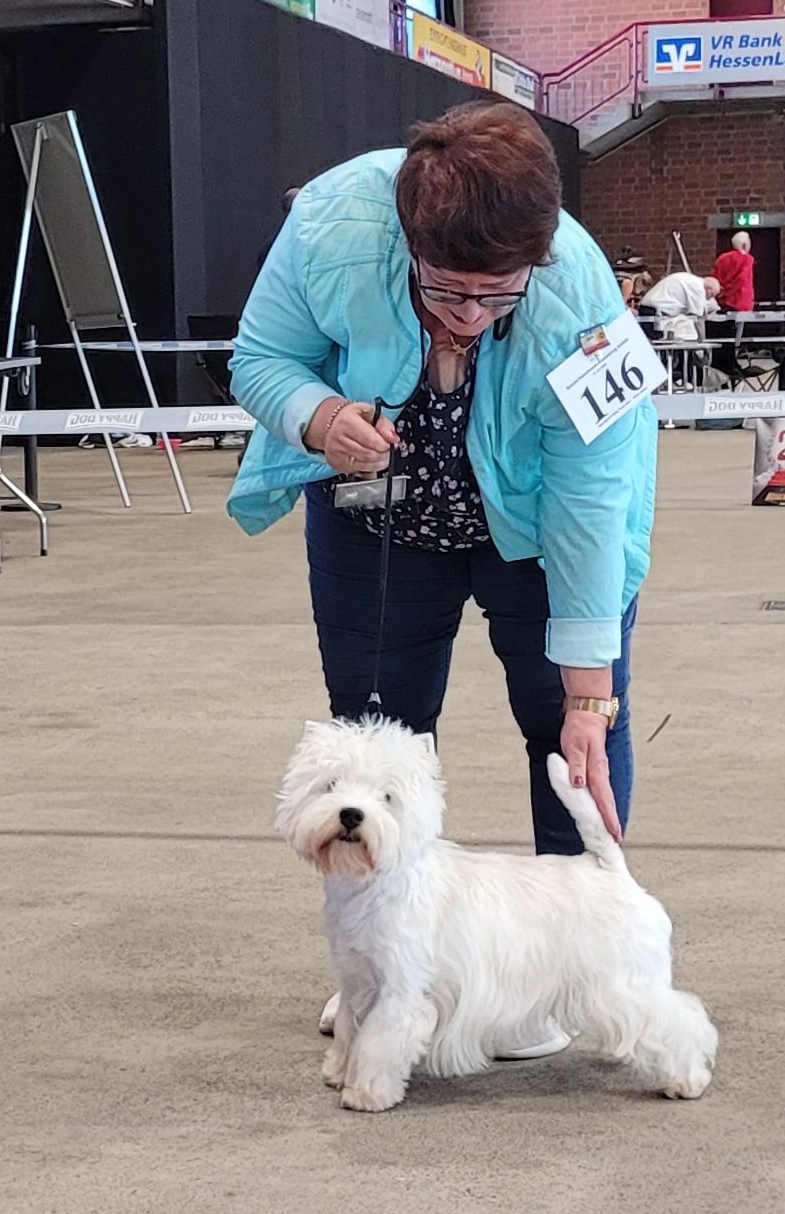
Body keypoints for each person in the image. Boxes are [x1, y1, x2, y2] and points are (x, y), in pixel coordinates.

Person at [230, 102, 654, 857]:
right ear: (410, 242)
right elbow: (259, 358)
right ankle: (395, 961)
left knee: (568, 730)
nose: (469, 315)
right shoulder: (331, 225)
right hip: (375, 523)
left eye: (499, 294)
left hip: (536, 526)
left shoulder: (586, 298)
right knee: (380, 744)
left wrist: (591, 694)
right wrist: (321, 419)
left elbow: (590, 496)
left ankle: (580, 954)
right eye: (447, 288)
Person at [640, 270, 721, 320]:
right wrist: (701, 341)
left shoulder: (692, 280)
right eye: (712, 295)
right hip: (655, 311)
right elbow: (697, 319)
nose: (710, 298)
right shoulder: (698, 289)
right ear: (709, 289)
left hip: (649, 306)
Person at [710, 230, 755, 313]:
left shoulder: (721, 258)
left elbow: (713, 278)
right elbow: (743, 279)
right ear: (744, 245)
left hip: (722, 301)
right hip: (740, 302)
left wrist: (723, 293)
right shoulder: (747, 259)